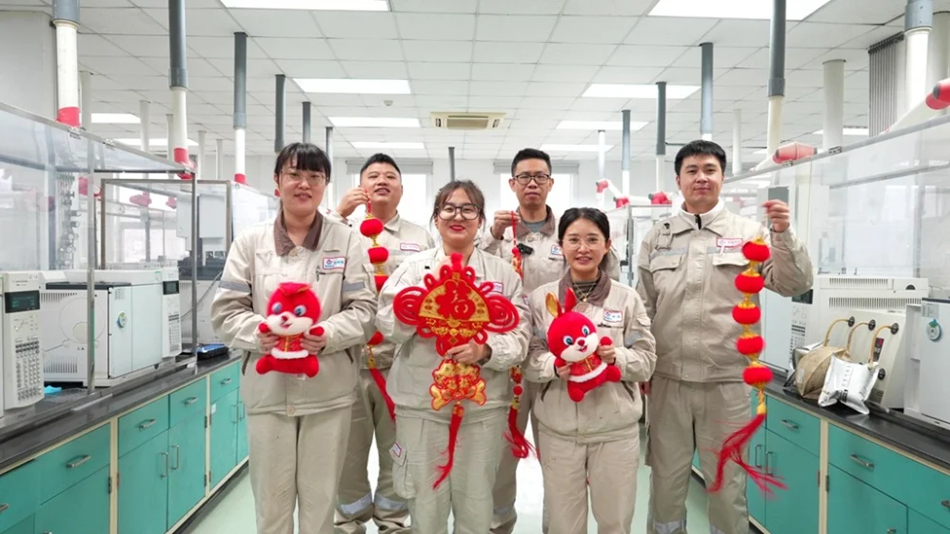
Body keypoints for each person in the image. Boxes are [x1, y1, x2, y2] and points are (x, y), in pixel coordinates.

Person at [637, 140, 813, 534]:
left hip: (728, 384)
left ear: (722, 177)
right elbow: (643, 309)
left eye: (710, 169)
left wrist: (783, 235)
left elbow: (794, 283)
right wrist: (641, 367)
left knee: (726, 485)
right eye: (692, 170)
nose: (701, 177)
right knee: (665, 483)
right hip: (668, 382)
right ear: (679, 180)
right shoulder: (657, 237)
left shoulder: (751, 233)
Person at [210, 143, 378, 534]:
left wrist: (327, 334)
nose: (304, 184)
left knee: (321, 503)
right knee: (272, 504)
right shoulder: (251, 242)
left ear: (325, 184)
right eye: (294, 175)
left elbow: (365, 310)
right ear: (277, 181)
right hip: (268, 391)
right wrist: (261, 333)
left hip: (328, 391)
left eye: (314, 177)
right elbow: (226, 311)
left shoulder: (346, 241)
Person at [376, 180, 531, 533]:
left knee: (476, 504)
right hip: (421, 405)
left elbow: (520, 335)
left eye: (468, 209)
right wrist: (420, 304)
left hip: (482, 408)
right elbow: (386, 323)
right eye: (448, 209)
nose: (457, 216)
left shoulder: (502, 273)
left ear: (481, 220)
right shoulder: (413, 269)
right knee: (424, 503)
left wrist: (486, 350)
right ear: (436, 218)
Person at [479, 148, 620, 534]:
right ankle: (497, 525)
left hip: (562, 364)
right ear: (512, 183)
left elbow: (607, 285)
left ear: (551, 183)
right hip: (505, 362)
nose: (532, 183)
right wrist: (492, 236)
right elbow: (473, 277)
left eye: (540, 176)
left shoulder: (571, 234)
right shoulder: (496, 236)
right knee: (501, 455)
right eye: (524, 177)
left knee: (560, 460)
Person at [525, 207, 657, 534]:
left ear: (607, 244)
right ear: (561, 245)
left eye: (592, 240)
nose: (583, 248)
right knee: (564, 525)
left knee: (615, 522)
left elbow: (646, 359)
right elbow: (528, 358)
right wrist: (553, 366)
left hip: (614, 430)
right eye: (574, 240)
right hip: (559, 431)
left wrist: (617, 358)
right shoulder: (541, 300)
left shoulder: (626, 299)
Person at [330, 154, 435, 534]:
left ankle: (392, 522)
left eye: (390, 176)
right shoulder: (339, 232)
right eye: (373, 175)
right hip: (348, 362)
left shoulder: (420, 237)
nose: (382, 181)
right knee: (347, 452)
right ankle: (348, 522)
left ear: (401, 190)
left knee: (399, 450)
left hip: (400, 364)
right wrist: (339, 215)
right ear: (360, 186)